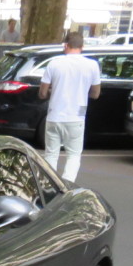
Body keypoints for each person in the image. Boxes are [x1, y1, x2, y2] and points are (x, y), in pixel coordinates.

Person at [38, 31, 101, 183]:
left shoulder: (54, 63)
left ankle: (49, 184)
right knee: (73, 155)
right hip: (77, 116)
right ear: (82, 46)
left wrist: (52, 91)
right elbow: (95, 94)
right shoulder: (92, 65)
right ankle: (67, 185)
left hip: (54, 115)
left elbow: (42, 93)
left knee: (51, 154)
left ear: (66, 45)